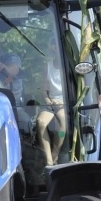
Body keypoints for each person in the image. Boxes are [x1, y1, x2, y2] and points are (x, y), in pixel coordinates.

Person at [36, 38, 66, 166]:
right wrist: (48, 100)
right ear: (53, 48)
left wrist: (61, 101)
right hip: (50, 103)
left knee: (63, 125)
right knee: (41, 122)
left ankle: (55, 153)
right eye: (54, 46)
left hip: (63, 103)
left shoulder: (67, 67)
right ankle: (48, 161)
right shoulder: (47, 66)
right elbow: (44, 90)